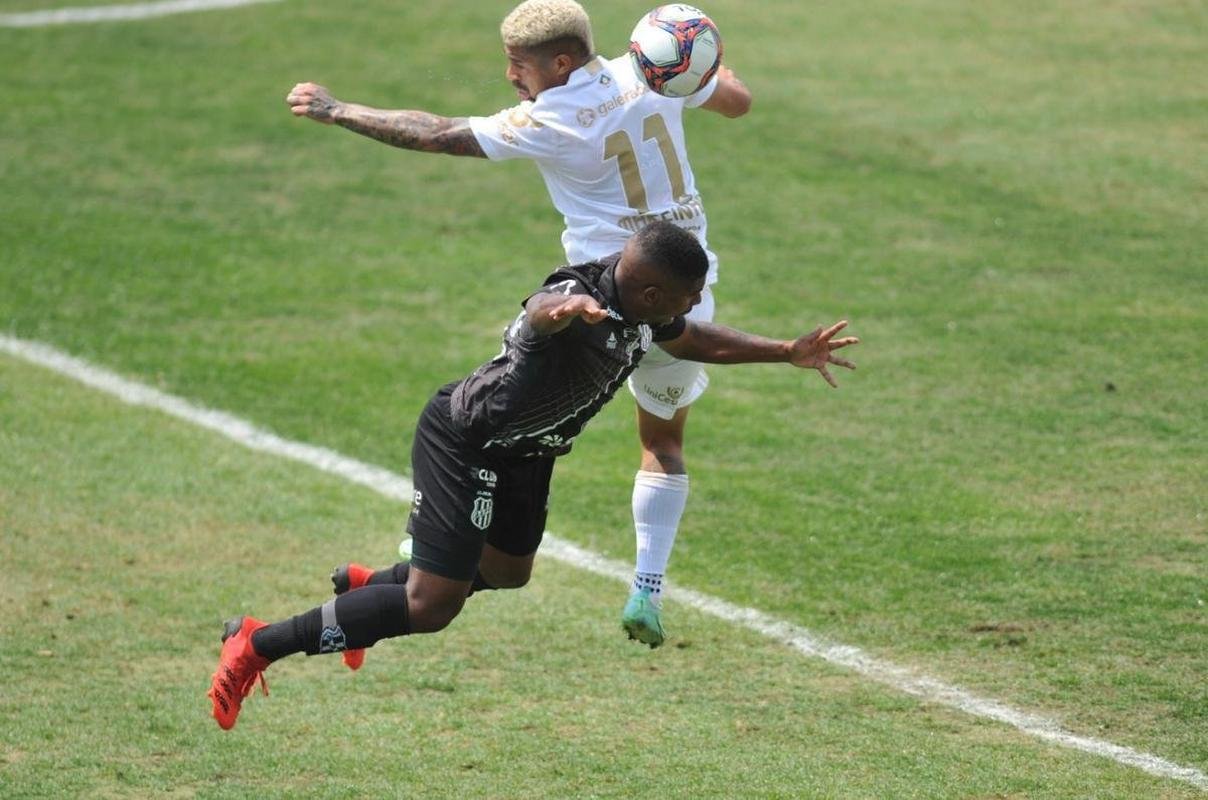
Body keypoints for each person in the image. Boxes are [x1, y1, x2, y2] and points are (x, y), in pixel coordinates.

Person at [208, 222, 857, 730]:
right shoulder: (583, 296)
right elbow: (543, 306)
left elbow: (691, 341)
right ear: (654, 292)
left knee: (507, 573)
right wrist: (563, 311)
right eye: (687, 297)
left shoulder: (648, 311)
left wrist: (784, 351)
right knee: (432, 607)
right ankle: (257, 643)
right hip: (467, 443)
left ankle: (366, 597)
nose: (690, 307)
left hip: (527, 453)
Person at [285, 0, 753, 649]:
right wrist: (706, 74)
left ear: (560, 62)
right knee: (663, 444)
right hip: (682, 296)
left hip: (592, 309)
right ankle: (647, 587)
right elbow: (738, 101)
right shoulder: (650, 68)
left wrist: (338, 110)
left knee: (497, 415)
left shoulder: (551, 118)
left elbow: (435, 133)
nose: (512, 76)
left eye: (519, 64)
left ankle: (436, 537)